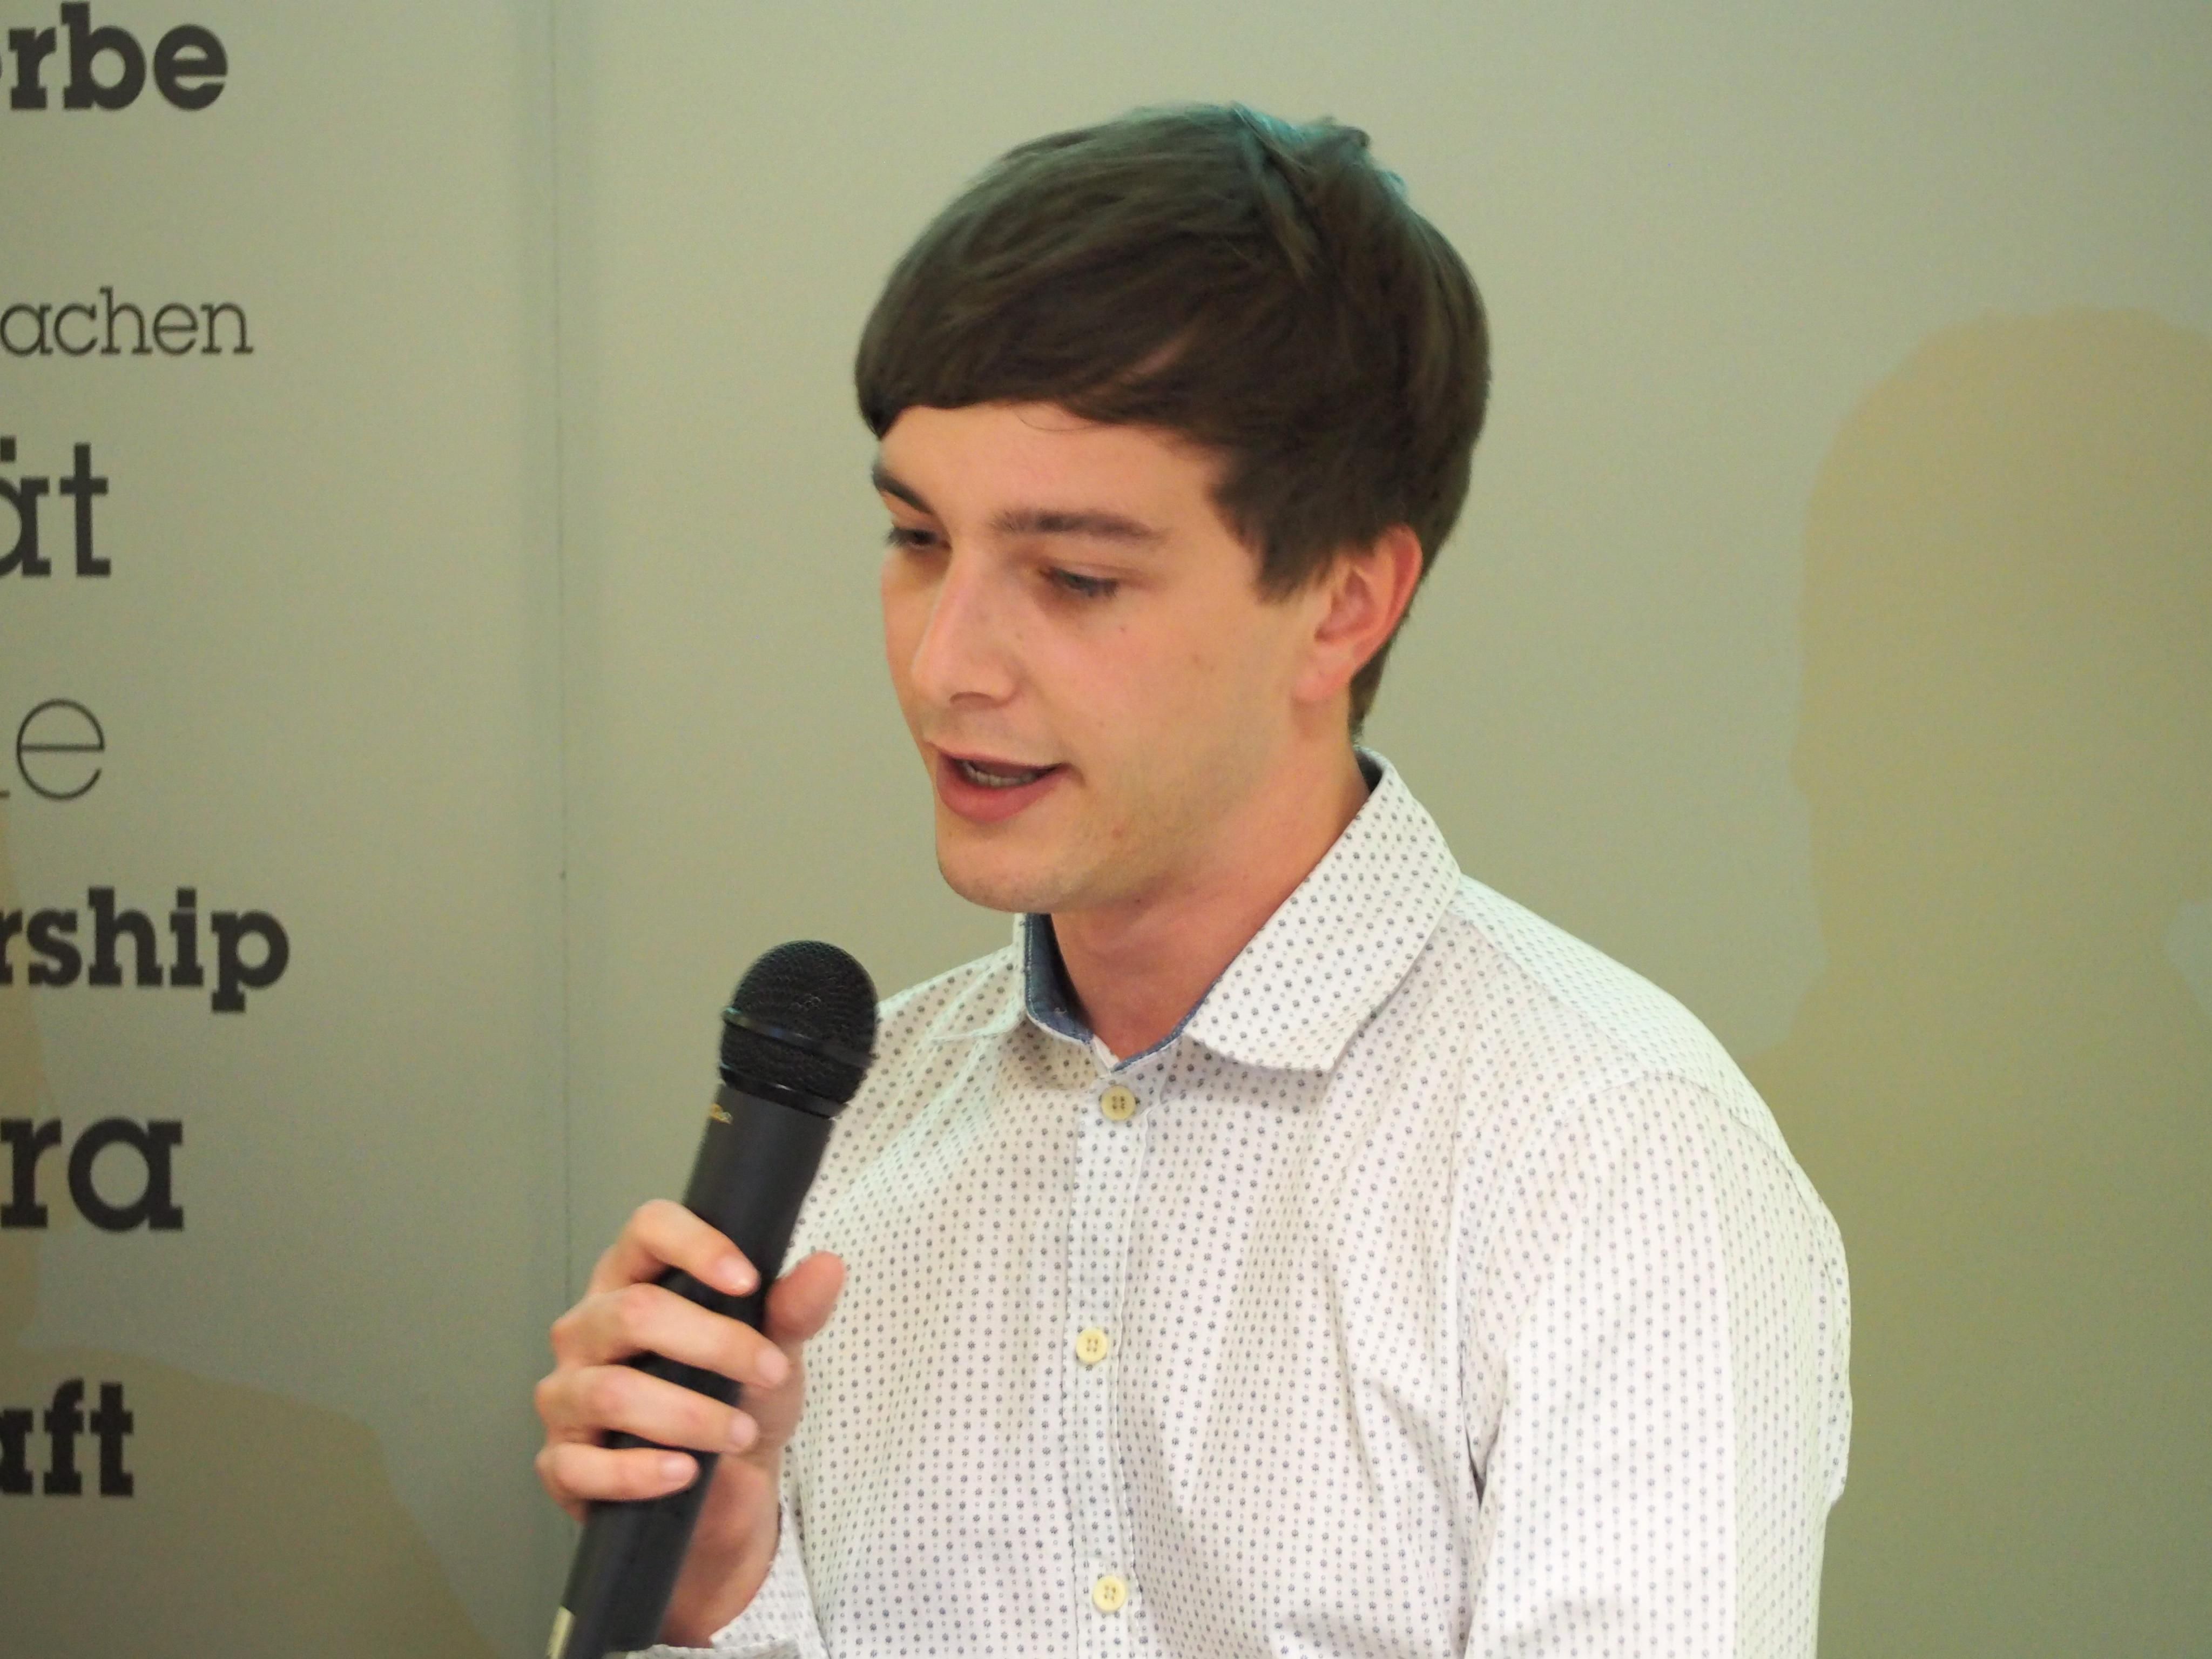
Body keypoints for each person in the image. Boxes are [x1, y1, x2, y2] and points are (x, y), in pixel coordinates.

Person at [533, 104, 1850, 1658]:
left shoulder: (1611, 1156)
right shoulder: (854, 1131)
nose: (947, 665)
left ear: (1345, 602)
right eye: (914, 537)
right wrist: (720, 1596)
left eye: (1076, 576)